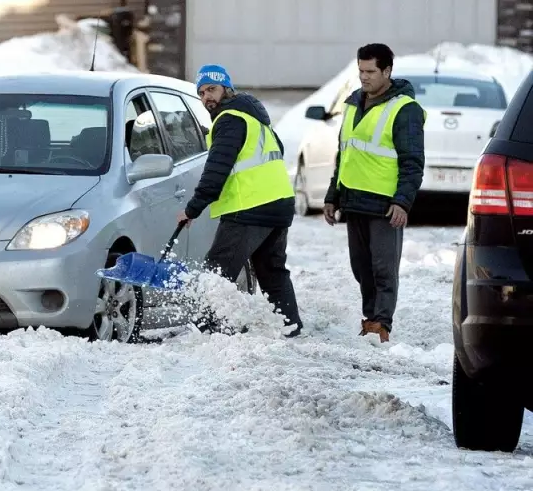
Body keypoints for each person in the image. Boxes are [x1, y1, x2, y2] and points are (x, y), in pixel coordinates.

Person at [177, 64, 302, 337]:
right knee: (272, 270)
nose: (207, 97)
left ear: (226, 88)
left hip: (250, 207)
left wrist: (192, 209)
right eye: (201, 92)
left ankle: (207, 330)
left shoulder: (229, 119)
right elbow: (277, 151)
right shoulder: (256, 119)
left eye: (212, 89)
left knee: (216, 273)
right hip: (278, 203)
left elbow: (216, 169)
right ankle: (289, 326)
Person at [322, 43, 426, 343]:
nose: (364, 77)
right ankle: (370, 318)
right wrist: (333, 195)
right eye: (361, 71)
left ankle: (381, 323)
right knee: (362, 269)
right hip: (353, 200)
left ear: (387, 71)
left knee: (383, 269)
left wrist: (402, 202)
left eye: (370, 72)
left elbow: (412, 162)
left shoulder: (405, 110)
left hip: (384, 204)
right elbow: (344, 154)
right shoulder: (353, 103)